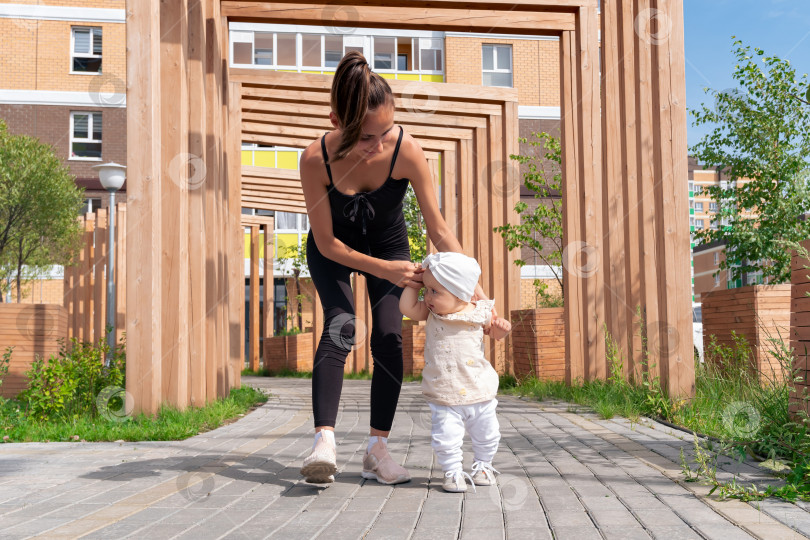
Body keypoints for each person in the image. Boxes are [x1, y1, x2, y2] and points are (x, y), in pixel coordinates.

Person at [297, 51, 486, 484]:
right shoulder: (314, 161)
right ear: (335, 122)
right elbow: (327, 243)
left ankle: (377, 448)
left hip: (389, 243)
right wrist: (384, 269)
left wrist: (475, 290)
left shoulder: (407, 150)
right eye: (366, 137)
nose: (378, 144)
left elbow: (438, 230)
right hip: (334, 251)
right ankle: (323, 442)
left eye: (385, 131)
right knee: (341, 326)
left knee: (388, 337)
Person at [399, 252, 511, 493]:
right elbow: (406, 307)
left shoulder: (479, 312)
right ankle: (452, 471)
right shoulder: (432, 314)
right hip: (444, 393)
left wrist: (501, 330)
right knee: (446, 438)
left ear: (461, 291)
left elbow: (495, 334)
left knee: (488, 434)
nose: (427, 297)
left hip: (479, 390)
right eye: (426, 290)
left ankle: (483, 465)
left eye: (434, 291)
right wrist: (415, 282)